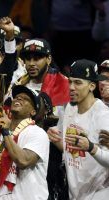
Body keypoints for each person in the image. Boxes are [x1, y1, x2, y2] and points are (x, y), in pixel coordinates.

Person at [47, 59, 109, 200]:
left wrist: (91, 148)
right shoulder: (69, 109)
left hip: (100, 193)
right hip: (75, 193)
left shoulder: (104, 116)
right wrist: (54, 137)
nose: (71, 87)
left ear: (92, 86)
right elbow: (70, 149)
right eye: (70, 81)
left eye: (78, 83)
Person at [0, 85, 49, 200]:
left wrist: (5, 132)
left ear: (33, 111)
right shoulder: (0, 133)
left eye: (26, 99)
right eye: (17, 97)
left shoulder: (37, 133)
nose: (19, 99)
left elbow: (23, 161)